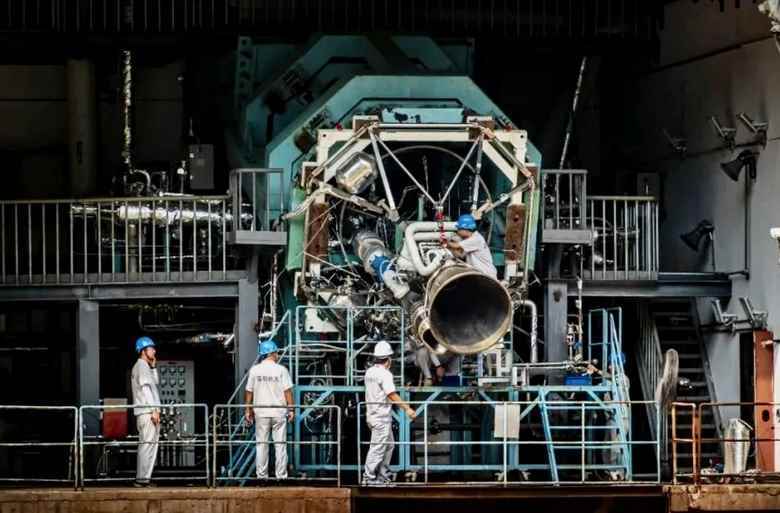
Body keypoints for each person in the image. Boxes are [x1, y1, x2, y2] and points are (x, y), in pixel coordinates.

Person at [363, 341, 417, 486]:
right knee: (378, 448)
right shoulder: (385, 374)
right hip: (380, 417)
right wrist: (407, 408)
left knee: (389, 445)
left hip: (373, 415)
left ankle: (382, 476)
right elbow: (392, 394)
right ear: (388, 359)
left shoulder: (370, 372)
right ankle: (368, 478)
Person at [244, 339, 294, 480]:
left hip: (261, 413)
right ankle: (281, 477)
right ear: (272, 353)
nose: (277, 354)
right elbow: (288, 392)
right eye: (276, 352)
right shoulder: (281, 370)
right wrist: (291, 410)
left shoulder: (255, 370)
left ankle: (262, 477)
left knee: (261, 445)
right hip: (278, 413)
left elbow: (249, 392)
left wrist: (248, 410)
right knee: (280, 445)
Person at [130, 336, 161, 487]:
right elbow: (147, 389)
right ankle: (142, 480)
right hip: (147, 413)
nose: (154, 350)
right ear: (143, 351)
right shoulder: (141, 366)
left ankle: (144, 479)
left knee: (148, 445)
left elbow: (155, 383)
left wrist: (154, 367)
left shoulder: (144, 366)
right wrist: (154, 410)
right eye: (151, 348)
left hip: (145, 412)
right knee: (148, 445)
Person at [446, 213, 498, 279]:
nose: (457, 232)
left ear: (465, 229)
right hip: (479, 275)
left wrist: (445, 242)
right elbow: (460, 255)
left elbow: (456, 246)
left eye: (459, 229)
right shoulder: (469, 241)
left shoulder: (476, 239)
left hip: (487, 275)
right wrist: (448, 248)